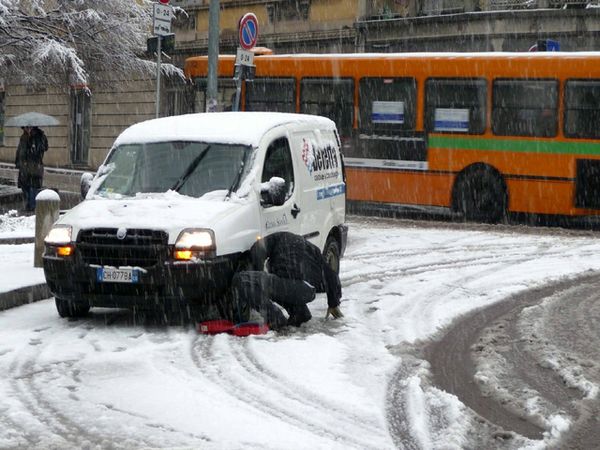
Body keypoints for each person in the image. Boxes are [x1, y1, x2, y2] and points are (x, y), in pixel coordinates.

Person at [230, 231, 344, 330]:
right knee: (282, 286)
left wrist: (256, 272)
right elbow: (331, 274)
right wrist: (333, 303)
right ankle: (301, 313)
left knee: (241, 279)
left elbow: (257, 250)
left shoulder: (273, 241)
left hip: (291, 285)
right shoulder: (309, 247)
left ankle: (276, 319)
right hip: (308, 290)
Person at [14, 126, 48, 211]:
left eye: (27, 128)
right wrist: (18, 162)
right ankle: (29, 204)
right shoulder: (24, 137)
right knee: (24, 186)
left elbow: (43, 148)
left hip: (35, 166)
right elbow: (20, 150)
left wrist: (33, 144)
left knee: (33, 186)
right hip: (24, 167)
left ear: (32, 128)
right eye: (24, 128)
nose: (26, 129)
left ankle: (32, 207)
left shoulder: (39, 136)